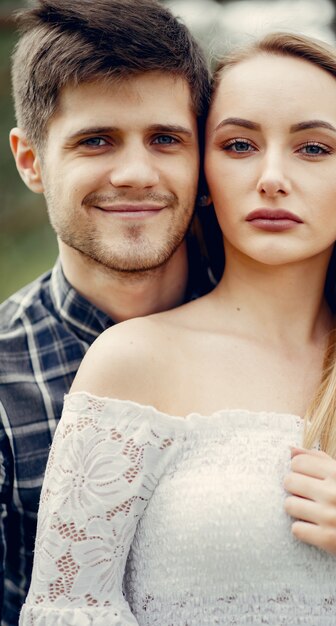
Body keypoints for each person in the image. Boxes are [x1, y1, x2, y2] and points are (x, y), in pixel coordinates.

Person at [20, 32, 336, 625]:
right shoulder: (134, 360)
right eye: (238, 145)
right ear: (204, 176)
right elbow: (67, 610)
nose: (273, 177)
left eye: (312, 148)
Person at [0, 0, 213, 622]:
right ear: (31, 160)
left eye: (166, 139)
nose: (134, 173)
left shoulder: (285, 335)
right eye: (96, 140)